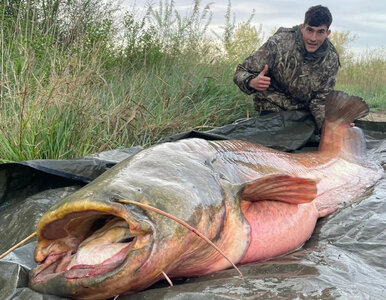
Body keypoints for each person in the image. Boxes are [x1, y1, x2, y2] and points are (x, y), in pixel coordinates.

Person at [233, 5, 340, 131]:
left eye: (320, 32)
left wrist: (330, 128)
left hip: (303, 115)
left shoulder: (331, 58)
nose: (313, 38)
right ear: (302, 28)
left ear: (328, 33)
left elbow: (321, 101)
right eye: (309, 30)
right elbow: (240, 72)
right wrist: (251, 81)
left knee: (316, 138)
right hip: (272, 108)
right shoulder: (279, 43)